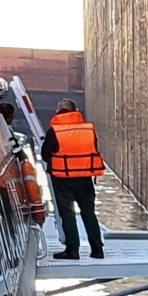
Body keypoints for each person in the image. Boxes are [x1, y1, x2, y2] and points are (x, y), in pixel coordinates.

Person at [42, 98, 106, 260]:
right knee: (89, 213)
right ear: (76, 110)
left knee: (68, 214)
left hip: (63, 180)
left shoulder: (54, 131)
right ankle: (97, 250)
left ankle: (72, 250)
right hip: (85, 179)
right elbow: (93, 149)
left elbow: (45, 154)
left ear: (57, 111)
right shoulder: (88, 129)